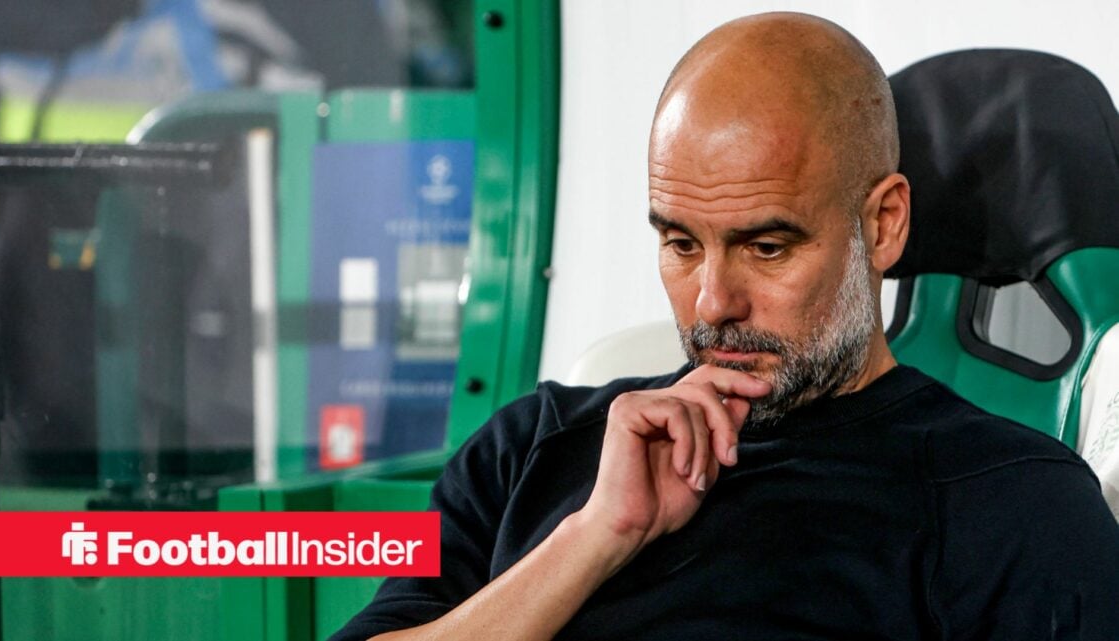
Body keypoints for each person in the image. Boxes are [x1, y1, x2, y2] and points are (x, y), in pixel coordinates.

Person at [331, 12, 1119, 640]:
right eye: (680, 243)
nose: (712, 303)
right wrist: (594, 537)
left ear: (882, 224)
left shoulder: (1014, 504)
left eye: (766, 247)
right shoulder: (526, 448)